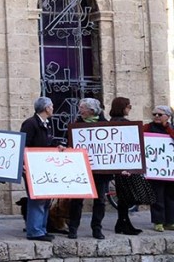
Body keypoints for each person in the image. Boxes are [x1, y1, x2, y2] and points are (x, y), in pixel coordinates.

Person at [67, 97, 111, 240]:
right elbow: (70, 145)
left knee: (100, 201)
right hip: (81, 170)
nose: (80, 110)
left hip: (100, 171)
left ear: (91, 111)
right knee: (76, 201)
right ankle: (73, 228)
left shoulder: (106, 126)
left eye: (82, 108)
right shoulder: (76, 126)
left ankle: (97, 228)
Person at [19, 97, 57, 242]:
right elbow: (24, 144)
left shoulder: (47, 124)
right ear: (46, 108)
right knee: (37, 200)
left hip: (43, 166)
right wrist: (24, 164)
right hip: (32, 166)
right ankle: (34, 231)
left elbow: (48, 143)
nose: (52, 109)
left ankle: (42, 228)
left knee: (46, 199)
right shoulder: (30, 123)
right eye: (51, 106)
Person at [107, 97, 143, 236]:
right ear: (123, 107)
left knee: (123, 196)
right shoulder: (125, 124)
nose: (129, 109)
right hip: (125, 165)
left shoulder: (110, 123)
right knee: (126, 196)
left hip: (117, 164)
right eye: (128, 106)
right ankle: (123, 223)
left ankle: (122, 222)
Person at [146, 105, 174, 232]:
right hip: (155, 170)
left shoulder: (171, 129)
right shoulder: (147, 128)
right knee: (157, 196)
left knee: (171, 196)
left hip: (170, 170)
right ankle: (158, 221)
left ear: (168, 117)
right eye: (154, 114)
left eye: (159, 114)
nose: (156, 116)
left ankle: (170, 221)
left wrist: (168, 128)